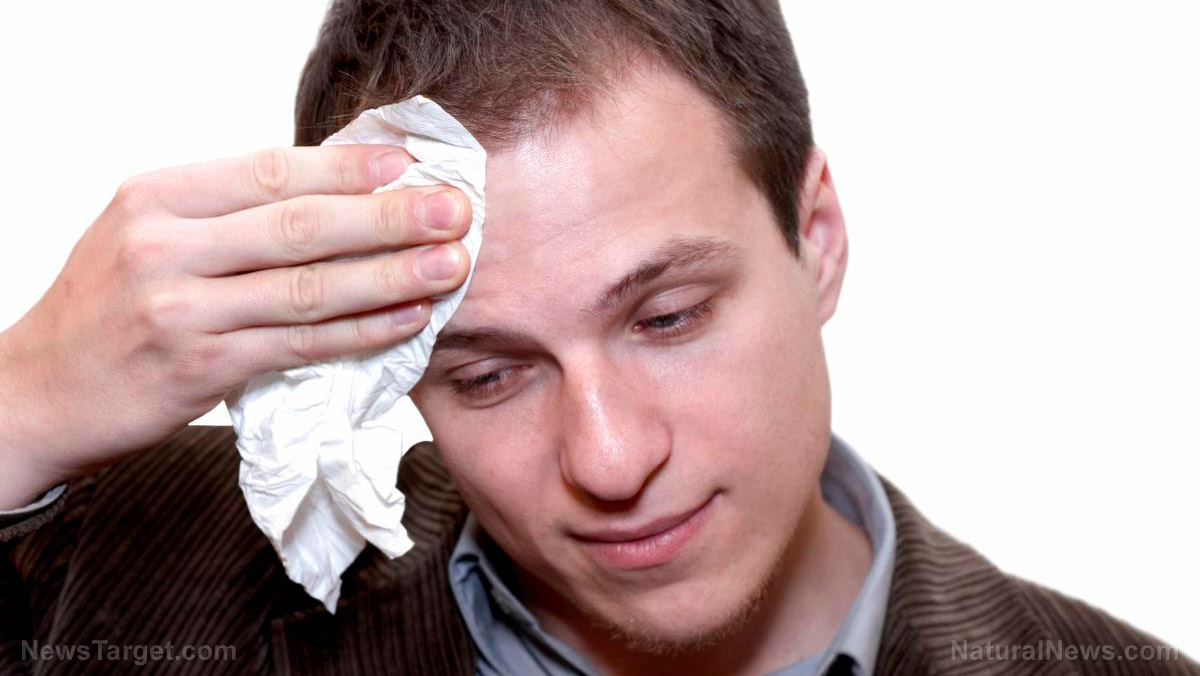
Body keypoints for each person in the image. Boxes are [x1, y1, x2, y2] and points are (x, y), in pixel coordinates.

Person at [0, 1, 1194, 675]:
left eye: (668, 318)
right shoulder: (131, 575)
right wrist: (21, 403)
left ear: (818, 239)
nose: (610, 459)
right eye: (489, 373)